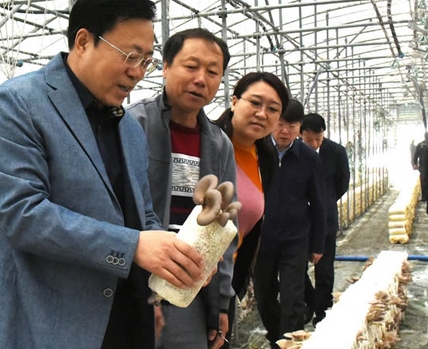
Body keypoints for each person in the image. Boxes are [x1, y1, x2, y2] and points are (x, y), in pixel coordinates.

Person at [0, 0, 207, 349]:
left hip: (123, 322)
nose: (138, 72)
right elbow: (21, 214)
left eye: (146, 61)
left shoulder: (128, 128)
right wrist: (133, 247)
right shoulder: (17, 104)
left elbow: (141, 214)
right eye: (130, 55)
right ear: (83, 41)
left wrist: (176, 254)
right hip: (44, 325)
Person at [127, 28, 237, 349]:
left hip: (189, 290)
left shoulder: (219, 144)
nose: (201, 79)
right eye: (191, 66)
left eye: (213, 72)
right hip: (134, 283)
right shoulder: (133, 125)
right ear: (165, 67)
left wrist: (222, 302)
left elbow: (223, 229)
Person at [213, 72, 290, 348]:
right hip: (189, 272)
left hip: (227, 278)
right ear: (234, 101)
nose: (262, 114)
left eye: (272, 109)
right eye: (255, 103)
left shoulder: (265, 159)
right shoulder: (208, 143)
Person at [251, 99, 326, 349]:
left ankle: (290, 342)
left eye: (292, 126)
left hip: (295, 238)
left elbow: (318, 202)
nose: (285, 131)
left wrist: (317, 243)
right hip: (262, 239)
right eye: (280, 124)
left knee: (293, 296)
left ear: (299, 128)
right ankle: (277, 337)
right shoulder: (257, 151)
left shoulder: (308, 158)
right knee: (264, 295)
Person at [299, 113, 350, 326]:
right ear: (300, 134)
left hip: (326, 219)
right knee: (296, 267)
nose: (313, 144)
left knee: (325, 269)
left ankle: (322, 312)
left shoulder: (336, 152)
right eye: (308, 139)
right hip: (300, 220)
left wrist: (325, 202)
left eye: (318, 139)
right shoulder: (294, 152)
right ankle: (310, 301)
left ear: (323, 134)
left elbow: (343, 182)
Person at [413, 132, 428, 200]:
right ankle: (425, 195)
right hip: (425, 166)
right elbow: (416, 156)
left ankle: (426, 195)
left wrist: (415, 163)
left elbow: (415, 156)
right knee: (425, 181)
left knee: (426, 181)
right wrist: (415, 163)